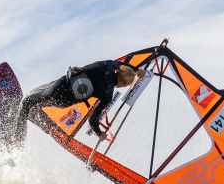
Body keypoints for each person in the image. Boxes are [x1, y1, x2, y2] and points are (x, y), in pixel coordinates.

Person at [17, 60, 145, 140]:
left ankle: (17, 135)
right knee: (34, 102)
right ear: (123, 84)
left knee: (28, 101)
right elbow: (93, 120)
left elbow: (118, 64)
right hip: (64, 101)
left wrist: (136, 69)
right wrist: (99, 134)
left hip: (59, 85)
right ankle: (19, 140)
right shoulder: (107, 95)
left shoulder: (108, 65)